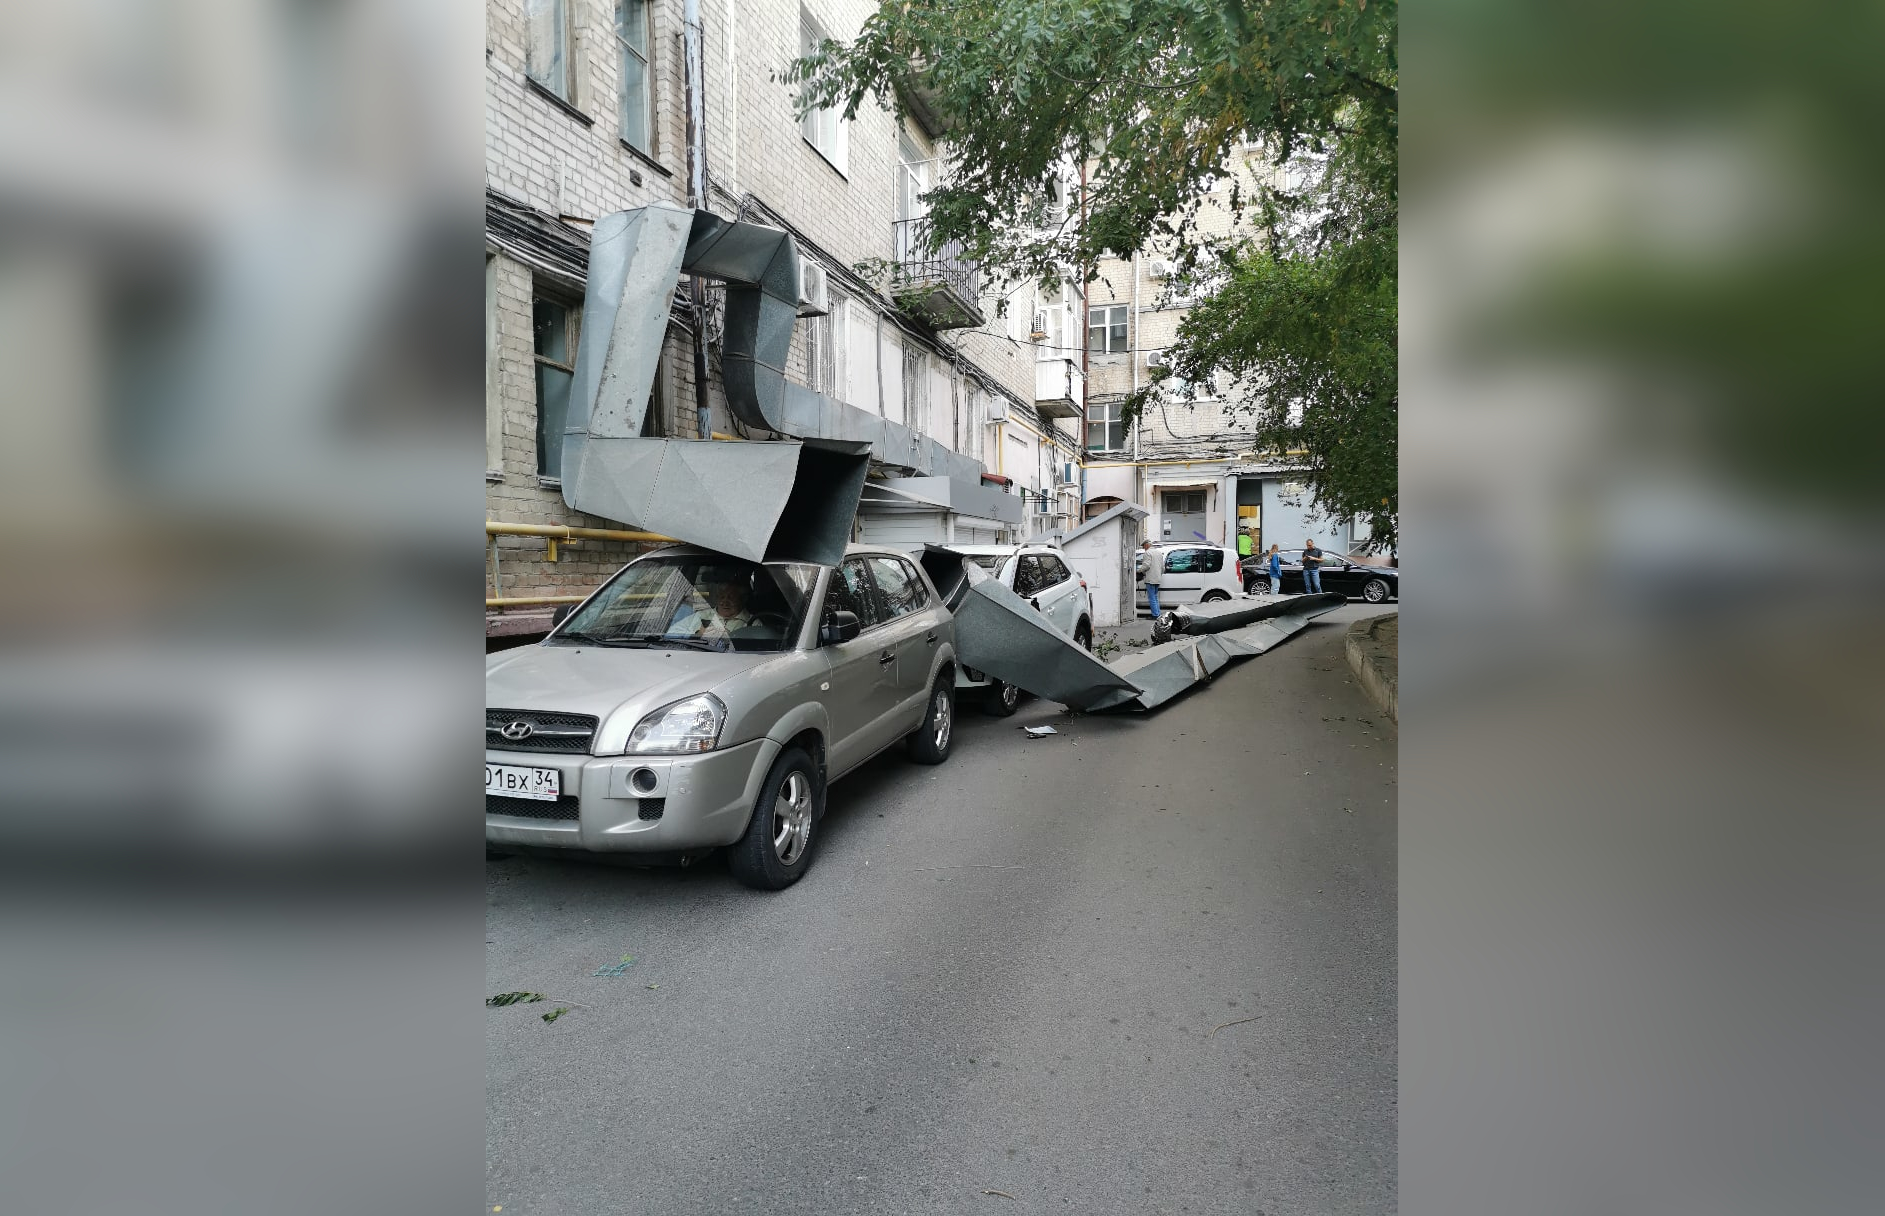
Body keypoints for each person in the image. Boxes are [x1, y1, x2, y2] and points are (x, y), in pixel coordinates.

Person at [669, 570, 756, 642]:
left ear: (742, 599)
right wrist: (698, 635)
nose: (725, 602)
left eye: (731, 598)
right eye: (722, 597)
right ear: (717, 598)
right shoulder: (701, 615)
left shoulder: (752, 622)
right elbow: (670, 633)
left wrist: (729, 639)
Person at [1139, 539, 1164, 618]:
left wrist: (1139, 571)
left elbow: (1146, 565)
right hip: (1157, 578)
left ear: (1146, 545)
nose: (1144, 549)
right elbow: (1162, 567)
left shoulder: (1148, 553)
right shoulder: (1159, 553)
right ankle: (1158, 614)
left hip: (1150, 579)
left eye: (1143, 547)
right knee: (1155, 597)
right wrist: (1159, 575)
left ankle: (1155, 615)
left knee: (1152, 598)